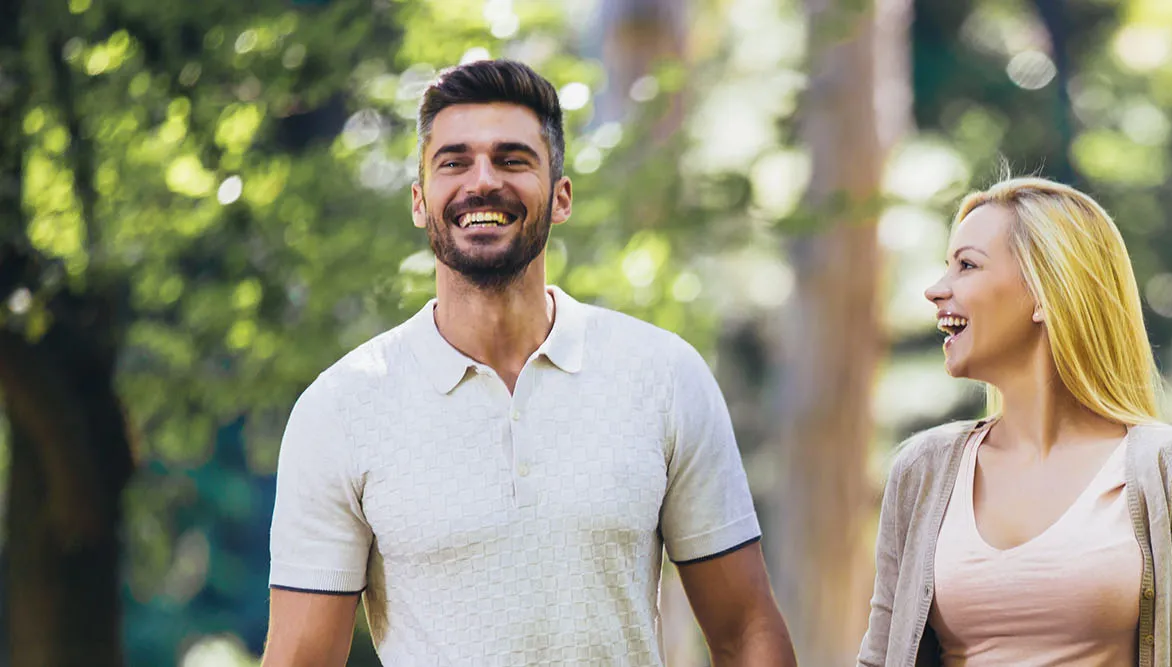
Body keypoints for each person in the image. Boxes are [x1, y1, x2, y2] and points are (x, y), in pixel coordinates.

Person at [263, 59, 795, 666]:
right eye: (454, 162)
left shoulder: (664, 376)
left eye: (513, 160)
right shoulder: (341, 407)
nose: (482, 182)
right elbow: (301, 659)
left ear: (561, 197)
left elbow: (746, 628)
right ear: (419, 201)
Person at [857, 177, 1172, 666]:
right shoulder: (922, 471)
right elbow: (880, 657)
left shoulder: (1170, 469)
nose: (935, 290)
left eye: (966, 265)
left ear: (1044, 292)